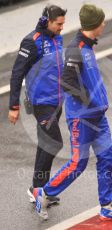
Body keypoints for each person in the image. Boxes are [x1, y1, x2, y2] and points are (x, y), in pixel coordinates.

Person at [32, 4, 112, 221]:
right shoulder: (77, 48)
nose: (104, 24)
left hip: (98, 116)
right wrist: (88, 100)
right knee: (79, 163)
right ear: (94, 25)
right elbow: (67, 80)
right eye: (101, 21)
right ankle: (44, 192)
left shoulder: (87, 46)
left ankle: (106, 205)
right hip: (81, 118)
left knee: (107, 158)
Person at [8, 4, 67, 205]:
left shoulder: (57, 38)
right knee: (54, 142)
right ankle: (38, 189)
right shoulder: (31, 41)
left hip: (57, 100)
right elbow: (17, 73)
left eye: (62, 24)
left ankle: (40, 188)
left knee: (45, 143)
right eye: (58, 24)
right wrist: (13, 106)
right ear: (47, 21)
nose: (61, 28)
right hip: (42, 102)